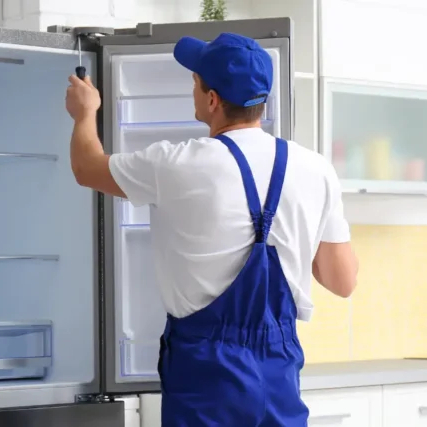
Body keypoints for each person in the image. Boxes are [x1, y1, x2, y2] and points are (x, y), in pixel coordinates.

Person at [65, 32, 359, 427]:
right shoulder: (317, 169)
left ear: (212, 100)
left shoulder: (176, 163)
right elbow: (342, 281)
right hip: (278, 369)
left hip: (205, 369)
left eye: (195, 80)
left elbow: (87, 168)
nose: (193, 86)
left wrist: (86, 113)